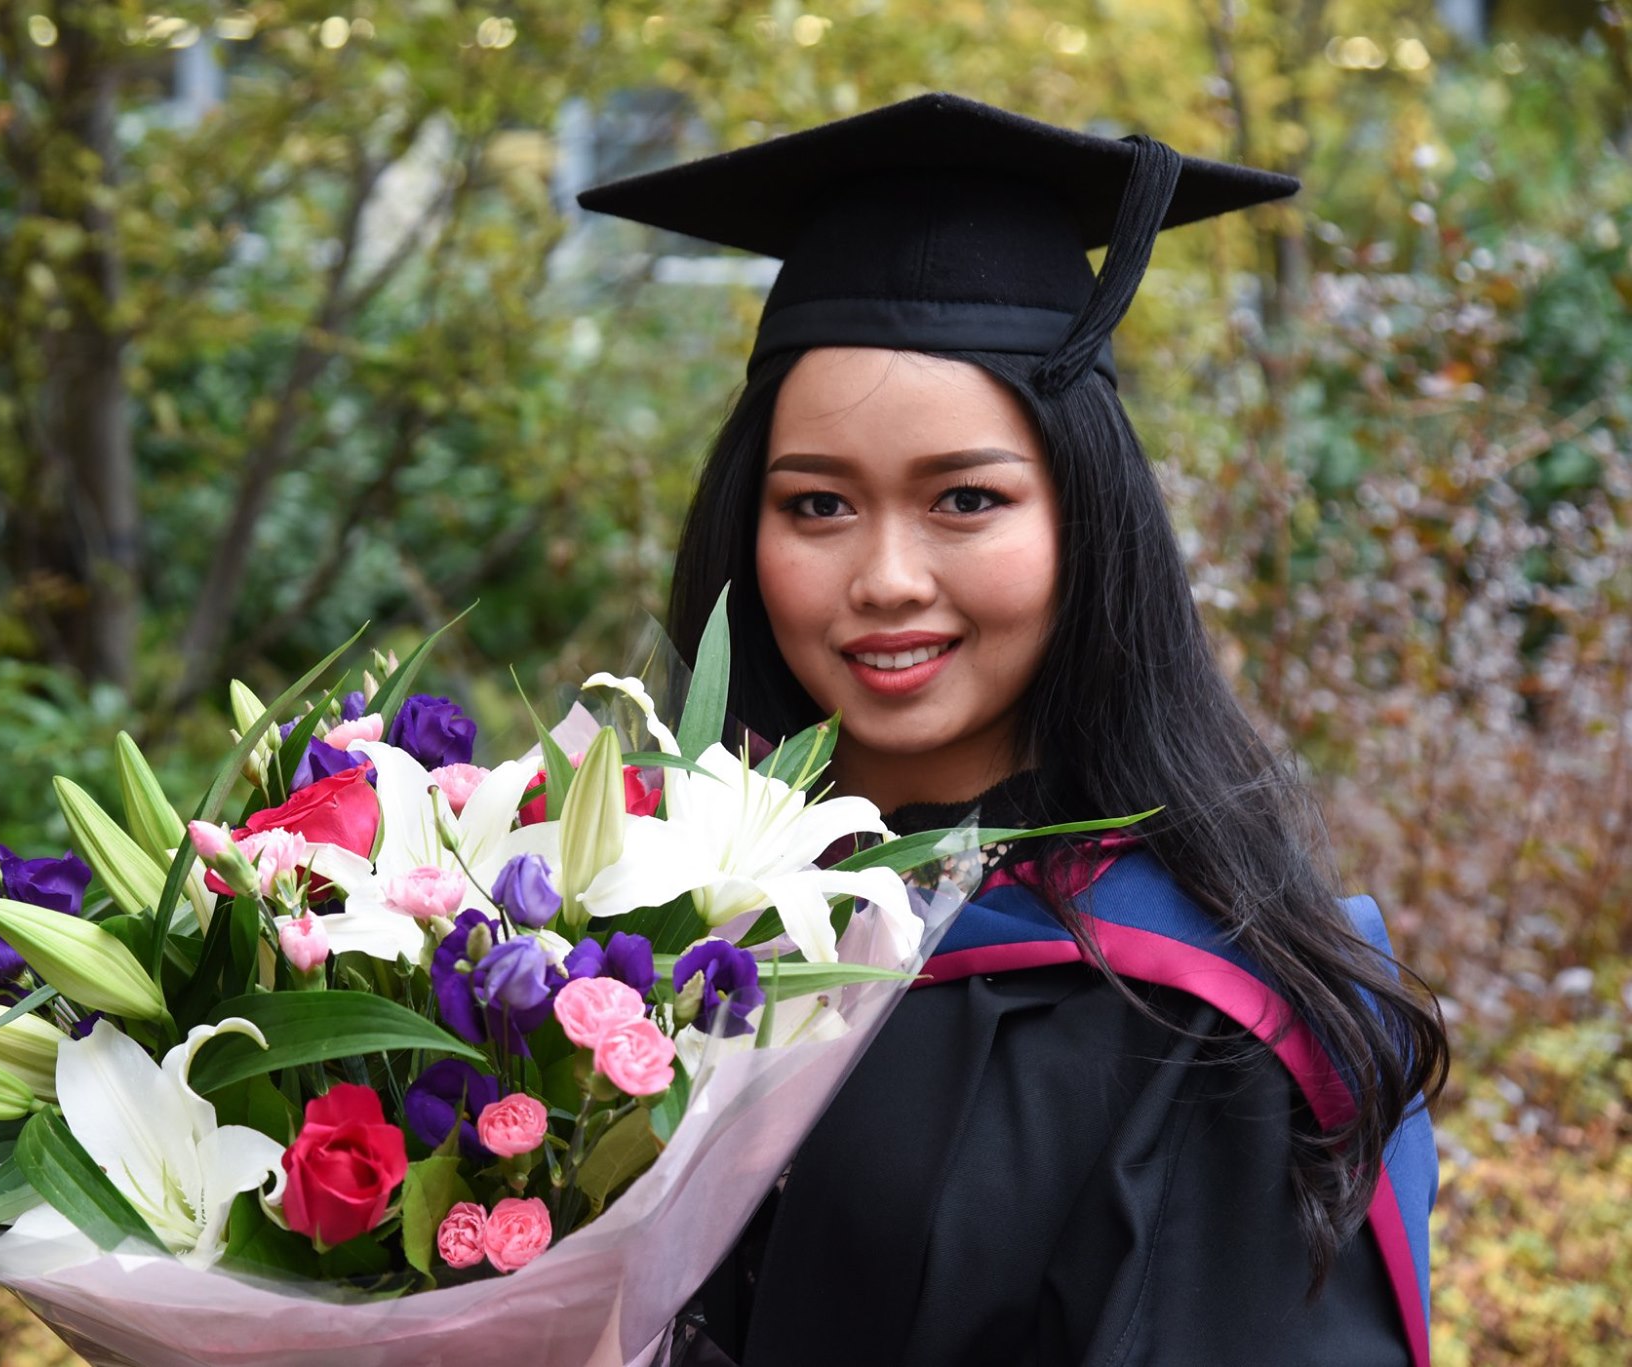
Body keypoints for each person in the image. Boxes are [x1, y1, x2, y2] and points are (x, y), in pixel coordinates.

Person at [577, 93, 1448, 1365]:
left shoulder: (1212, 1014)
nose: (882, 576)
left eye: (965, 498)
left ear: (1086, 516)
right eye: (815, 502)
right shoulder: (620, 929)